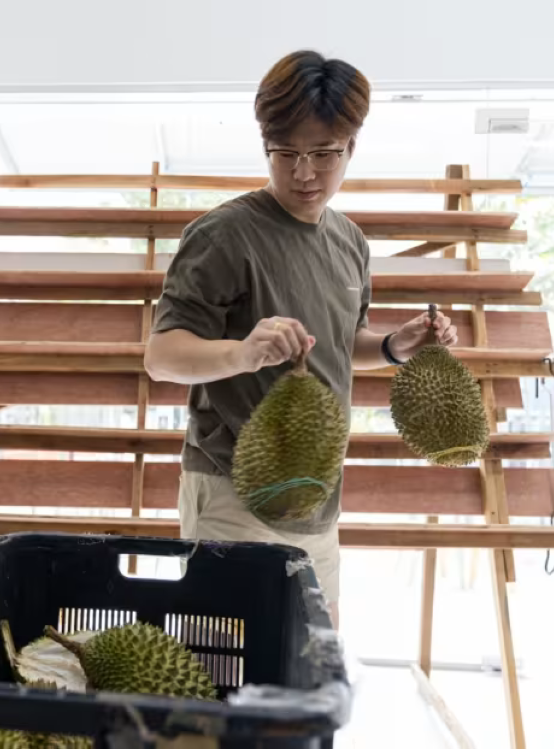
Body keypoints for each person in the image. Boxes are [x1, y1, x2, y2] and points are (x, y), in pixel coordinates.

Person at [144, 50, 457, 629]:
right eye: (285, 154)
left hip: (318, 498)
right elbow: (162, 357)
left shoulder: (350, 242)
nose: (304, 172)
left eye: (323, 154)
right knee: (228, 674)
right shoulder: (224, 235)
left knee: (309, 667)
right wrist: (241, 352)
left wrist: (393, 346)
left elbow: (341, 341)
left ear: (351, 148)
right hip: (233, 491)